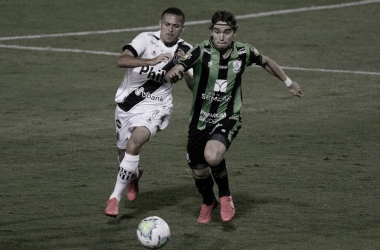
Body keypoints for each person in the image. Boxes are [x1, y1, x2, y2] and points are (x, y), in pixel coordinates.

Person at [165, 10, 303, 223]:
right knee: (199, 173)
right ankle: (209, 201)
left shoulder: (243, 52)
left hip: (227, 117)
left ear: (234, 33)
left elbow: (265, 61)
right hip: (199, 120)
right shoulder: (200, 51)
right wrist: (176, 72)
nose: (221, 36)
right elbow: (181, 65)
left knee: (213, 156)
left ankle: (225, 196)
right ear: (211, 31)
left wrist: (289, 83)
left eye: (226, 32)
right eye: (217, 31)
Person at [105, 7, 193, 218]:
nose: (170, 30)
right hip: (127, 104)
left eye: (176, 26)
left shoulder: (187, 50)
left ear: (182, 28)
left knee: (135, 143)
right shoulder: (146, 39)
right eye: (167, 25)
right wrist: (151, 61)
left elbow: (194, 86)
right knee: (124, 153)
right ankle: (134, 175)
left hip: (157, 107)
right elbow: (121, 61)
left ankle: (114, 198)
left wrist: (184, 68)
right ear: (160, 24)